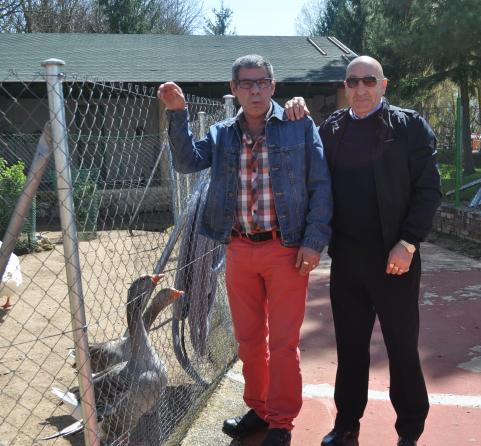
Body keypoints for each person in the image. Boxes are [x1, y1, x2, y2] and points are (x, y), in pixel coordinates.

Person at [158, 54, 332, 446]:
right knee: (250, 340)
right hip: (238, 248)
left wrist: (313, 241)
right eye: (247, 83)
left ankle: (281, 422)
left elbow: (321, 185)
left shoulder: (299, 125)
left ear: (273, 86)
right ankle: (259, 408)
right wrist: (177, 113)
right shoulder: (222, 134)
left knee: (283, 343)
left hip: (286, 249)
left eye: (262, 82)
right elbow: (186, 162)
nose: (255, 90)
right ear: (234, 89)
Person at [285, 55, 442, 446]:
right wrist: (292, 108)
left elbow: (428, 190)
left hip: (395, 259)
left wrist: (408, 242)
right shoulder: (332, 128)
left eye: (368, 80)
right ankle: (347, 424)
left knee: (401, 348)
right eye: (352, 82)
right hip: (347, 260)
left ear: (383, 85)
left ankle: (409, 431)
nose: (360, 89)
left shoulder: (409, 127)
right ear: (345, 87)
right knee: (351, 348)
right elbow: (307, 167)